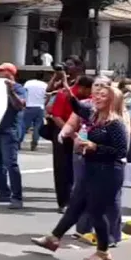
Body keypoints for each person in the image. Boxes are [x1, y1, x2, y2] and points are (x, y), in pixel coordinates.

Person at [32, 84, 128, 260]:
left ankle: (103, 252)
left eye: (103, 96)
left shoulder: (115, 123)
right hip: (91, 168)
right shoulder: (94, 116)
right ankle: (53, 238)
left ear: (112, 100)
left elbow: (121, 151)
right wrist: (70, 96)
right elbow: (78, 108)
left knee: (96, 212)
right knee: (75, 205)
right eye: (96, 95)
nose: (97, 98)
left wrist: (95, 147)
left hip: (107, 172)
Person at [49, 73, 94, 212]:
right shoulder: (64, 94)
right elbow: (56, 116)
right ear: (81, 88)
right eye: (89, 90)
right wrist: (72, 135)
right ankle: (64, 202)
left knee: (83, 168)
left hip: (85, 135)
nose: (90, 93)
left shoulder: (91, 98)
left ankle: (81, 200)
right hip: (63, 132)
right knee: (63, 168)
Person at [0, 63, 26, 209]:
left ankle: (17, 197)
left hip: (8, 130)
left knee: (11, 163)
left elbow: (20, 105)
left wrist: (10, 91)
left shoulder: (18, 88)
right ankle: (4, 192)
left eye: (0, 71)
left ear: (10, 73)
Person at [21, 72, 48, 151]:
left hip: (28, 106)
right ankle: (34, 144)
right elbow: (47, 96)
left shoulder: (28, 83)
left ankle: (18, 142)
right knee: (37, 127)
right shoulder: (45, 85)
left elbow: (24, 93)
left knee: (24, 126)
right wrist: (44, 104)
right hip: (40, 107)